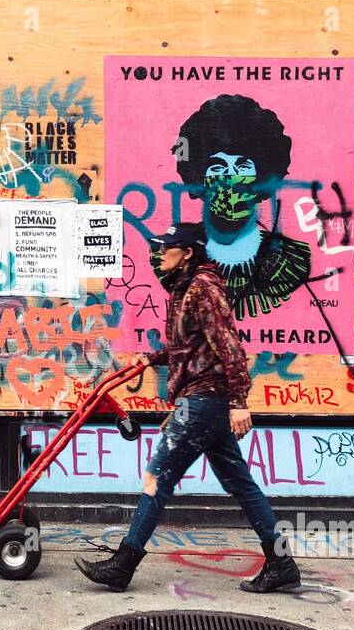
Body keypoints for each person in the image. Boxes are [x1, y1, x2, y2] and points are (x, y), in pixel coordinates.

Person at [75, 222, 301, 594]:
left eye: (167, 249)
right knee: (241, 485)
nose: (160, 254)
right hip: (203, 401)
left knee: (157, 478)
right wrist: (152, 359)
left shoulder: (204, 289)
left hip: (203, 401)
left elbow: (229, 346)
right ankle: (281, 563)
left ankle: (123, 565)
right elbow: (190, 347)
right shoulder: (186, 289)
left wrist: (239, 402)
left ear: (188, 253)